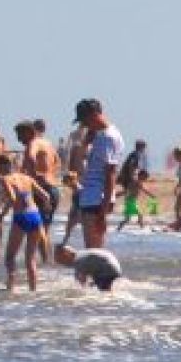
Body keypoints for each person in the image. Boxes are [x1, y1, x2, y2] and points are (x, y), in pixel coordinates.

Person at [0, 154, 52, 291]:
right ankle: (33, 290)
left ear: (0, 167)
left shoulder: (5, 179)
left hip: (21, 217)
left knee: (9, 256)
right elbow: (46, 196)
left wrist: (1, 211)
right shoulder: (27, 178)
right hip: (35, 216)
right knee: (30, 258)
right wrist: (44, 209)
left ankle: (10, 288)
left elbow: (13, 198)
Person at [74, 98, 125, 249]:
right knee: (93, 249)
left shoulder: (108, 137)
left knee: (93, 251)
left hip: (96, 199)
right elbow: (80, 165)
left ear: (94, 115)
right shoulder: (100, 135)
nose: (83, 125)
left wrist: (103, 212)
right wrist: (85, 143)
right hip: (92, 197)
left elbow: (110, 174)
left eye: (84, 120)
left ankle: (98, 273)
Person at [54, 243, 121, 292]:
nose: (63, 264)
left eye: (61, 260)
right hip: (114, 268)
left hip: (107, 270)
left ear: (66, 254)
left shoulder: (78, 261)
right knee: (94, 285)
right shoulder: (82, 254)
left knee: (104, 293)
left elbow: (81, 285)